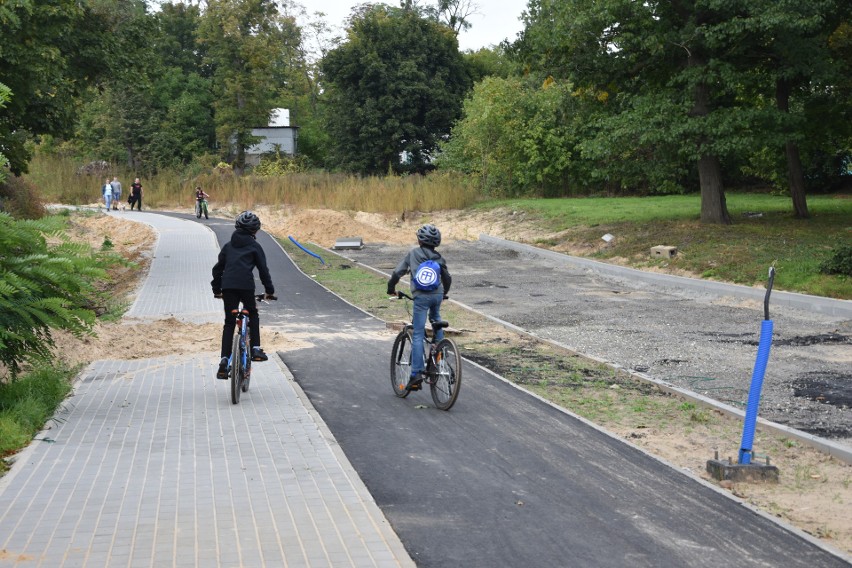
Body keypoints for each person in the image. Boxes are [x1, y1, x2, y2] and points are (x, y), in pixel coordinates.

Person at [387, 224, 452, 391]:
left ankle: (415, 374)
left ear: (419, 240)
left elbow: (397, 273)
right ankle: (440, 354)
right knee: (436, 318)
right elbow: (447, 278)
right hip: (436, 295)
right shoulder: (438, 257)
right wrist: (444, 293)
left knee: (417, 333)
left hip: (421, 297)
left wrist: (391, 288)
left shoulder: (413, 254)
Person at [211, 211, 276, 379]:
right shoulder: (255, 247)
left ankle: (223, 363)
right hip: (246, 287)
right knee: (252, 313)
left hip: (228, 287)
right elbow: (263, 270)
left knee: (229, 323)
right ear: (254, 230)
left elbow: (217, 269)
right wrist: (269, 291)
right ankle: (255, 349)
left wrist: (217, 290)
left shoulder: (228, 246)